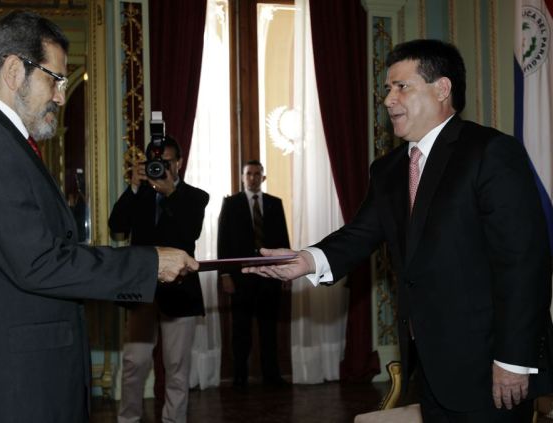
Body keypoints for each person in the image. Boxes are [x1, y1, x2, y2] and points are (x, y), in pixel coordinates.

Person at [244, 39, 553, 421]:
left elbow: (524, 264)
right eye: (387, 88)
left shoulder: (489, 152)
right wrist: (305, 260)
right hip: (428, 367)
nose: (388, 100)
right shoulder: (389, 169)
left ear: (442, 89)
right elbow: (360, 234)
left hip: (491, 366)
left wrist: (513, 360)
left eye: (401, 86)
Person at [0, 10, 196, 423]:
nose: (60, 94)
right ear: (15, 70)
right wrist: (149, 262)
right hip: (14, 385)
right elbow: (38, 261)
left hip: (24, 376)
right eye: (55, 79)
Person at [108, 136, 209, 423]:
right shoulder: (139, 195)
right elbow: (116, 226)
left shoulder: (195, 197)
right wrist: (135, 186)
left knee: (177, 366)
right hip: (141, 289)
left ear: (179, 163)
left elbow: (188, 234)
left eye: (166, 162)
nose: (161, 167)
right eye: (156, 162)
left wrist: (170, 194)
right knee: (134, 363)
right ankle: (128, 419)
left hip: (180, 290)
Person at [217, 160, 290, 388]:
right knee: (241, 330)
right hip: (240, 279)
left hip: (269, 277)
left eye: (257, 174)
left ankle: (272, 376)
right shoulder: (231, 204)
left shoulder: (275, 204)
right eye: (249, 174)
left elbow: (283, 242)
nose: (253, 177)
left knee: (269, 330)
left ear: (263, 177)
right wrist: (225, 275)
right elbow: (223, 242)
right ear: (242, 177)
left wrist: (285, 273)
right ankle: (240, 378)